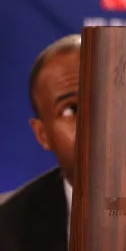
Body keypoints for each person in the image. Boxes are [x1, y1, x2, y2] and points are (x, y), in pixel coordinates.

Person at [0, 34, 81, 251]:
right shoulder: (7, 229)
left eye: (106, 97)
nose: (96, 118)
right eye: (71, 109)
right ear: (42, 134)